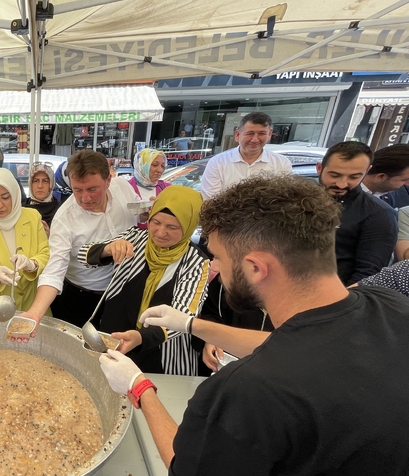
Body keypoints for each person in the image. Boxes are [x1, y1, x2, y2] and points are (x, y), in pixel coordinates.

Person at [99, 174, 409, 475]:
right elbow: (301, 342)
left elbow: (183, 465)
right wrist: (193, 325)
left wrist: (138, 387)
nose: (215, 267)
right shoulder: (392, 305)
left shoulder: (248, 390)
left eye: (218, 257)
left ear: (256, 267)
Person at [79, 185, 209, 375]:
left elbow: (184, 316)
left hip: (160, 353)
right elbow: (84, 255)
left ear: (189, 225)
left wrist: (140, 337)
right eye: (155, 222)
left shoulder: (196, 263)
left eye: (172, 227)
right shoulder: (136, 238)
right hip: (113, 338)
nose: (160, 232)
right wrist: (109, 249)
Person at [19, 150, 138, 335]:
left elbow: (139, 210)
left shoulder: (123, 188)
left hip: (126, 291)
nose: (85, 198)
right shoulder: (64, 218)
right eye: (77, 190)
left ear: (108, 180)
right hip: (81, 297)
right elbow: (54, 270)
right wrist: (35, 313)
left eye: (92, 189)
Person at [316, 141, 397, 285]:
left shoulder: (379, 214)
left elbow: (368, 275)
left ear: (367, 171)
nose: (342, 184)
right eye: (334, 175)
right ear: (319, 168)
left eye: (353, 177)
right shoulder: (297, 200)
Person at [0, 168, 49, 312]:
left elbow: (45, 253)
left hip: (32, 305)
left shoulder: (32, 217)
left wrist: (32, 264)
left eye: (5, 197)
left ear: (15, 193)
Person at [199, 112, 292, 200]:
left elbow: (282, 201)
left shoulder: (282, 164)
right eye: (250, 133)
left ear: (269, 134)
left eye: (261, 133)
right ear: (237, 134)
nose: (255, 139)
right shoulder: (217, 163)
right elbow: (211, 202)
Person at [128, 148, 170, 228]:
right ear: (141, 165)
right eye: (155, 165)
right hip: (131, 238)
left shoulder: (166, 189)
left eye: (163, 166)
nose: (160, 170)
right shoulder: (126, 188)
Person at [23, 162, 61, 231]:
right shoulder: (22, 210)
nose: (40, 186)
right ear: (30, 184)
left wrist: (50, 237)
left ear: (51, 184)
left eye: (45, 181)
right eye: (36, 181)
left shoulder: (60, 211)